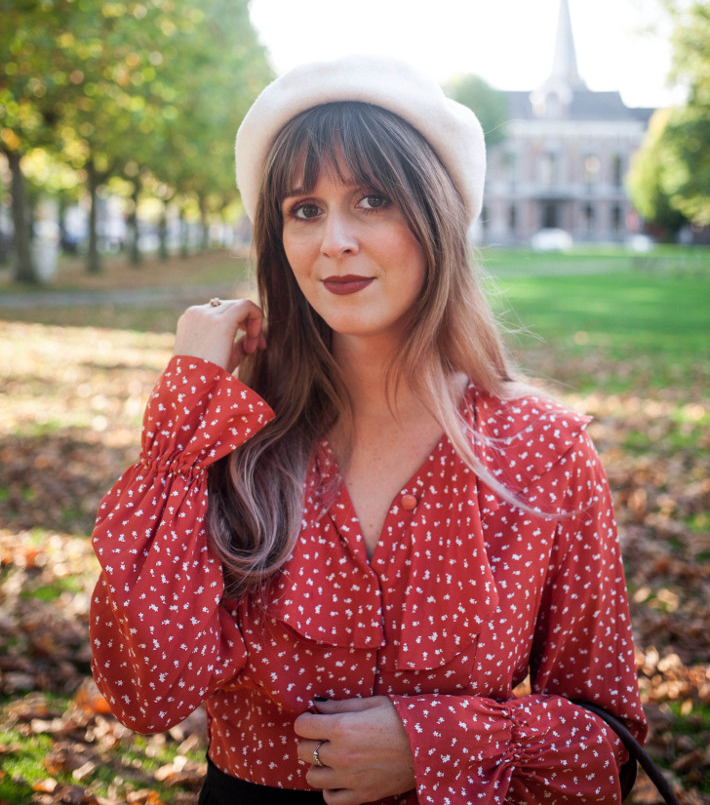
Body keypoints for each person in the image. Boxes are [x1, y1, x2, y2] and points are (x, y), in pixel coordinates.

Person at [90, 54, 647, 805]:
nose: (335, 240)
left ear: (436, 218)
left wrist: (436, 746)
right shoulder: (230, 438)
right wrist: (187, 407)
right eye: (304, 209)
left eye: (373, 199)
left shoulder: (543, 449)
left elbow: (610, 748)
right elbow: (145, 692)